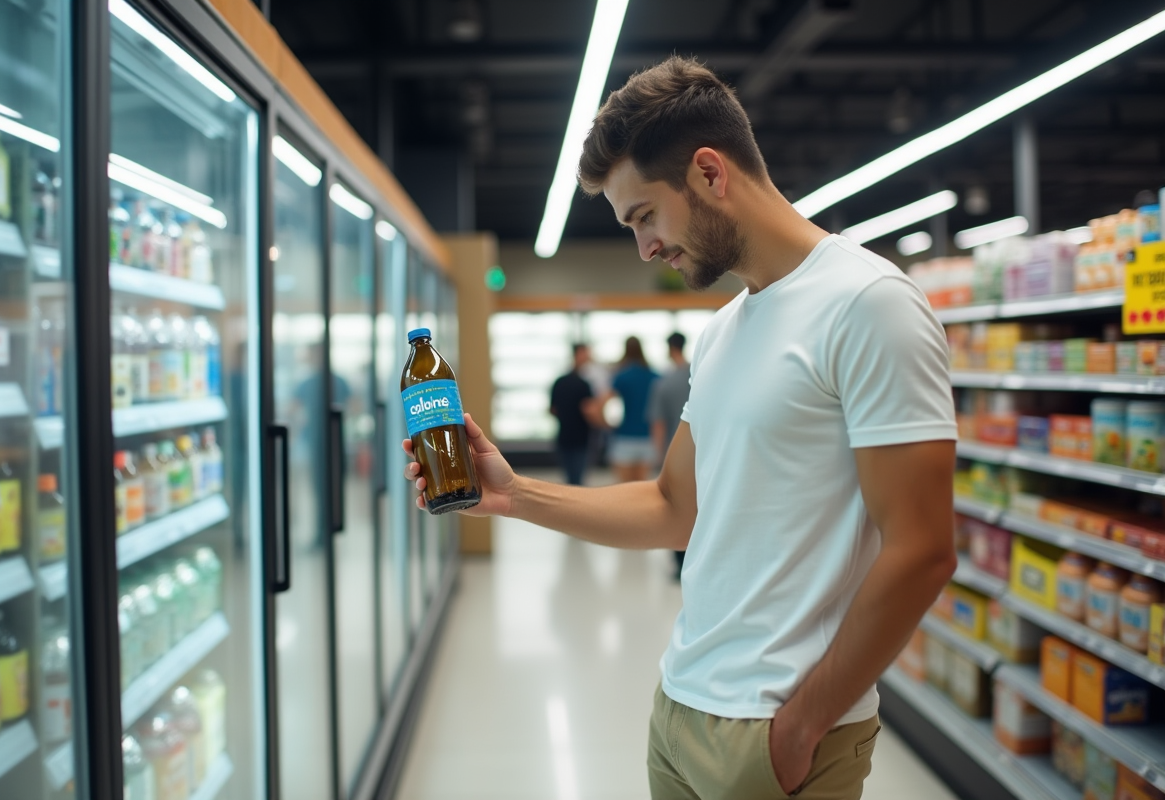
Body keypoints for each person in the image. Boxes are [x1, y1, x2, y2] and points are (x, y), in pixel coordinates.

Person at [404, 56, 956, 800]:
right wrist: (512, 495)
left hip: (775, 733)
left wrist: (799, 730)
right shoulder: (725, 329)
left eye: (643, 216)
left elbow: (922, 550)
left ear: (708, 173)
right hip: (681, 705)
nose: (645, 248)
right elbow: (674, 507)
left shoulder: (869, 304)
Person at [648, 331, 690, 577]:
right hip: (703, 451)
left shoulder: (664, 382)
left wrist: (660, 453)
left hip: (675, 454)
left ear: (668, 348)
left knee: (676, 507)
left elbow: (659, 424)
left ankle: (679, 564)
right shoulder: (700, 372)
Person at [598, 336, 658, 483]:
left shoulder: (621, 376)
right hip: (647, 436)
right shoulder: (654, 376)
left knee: (624, 488)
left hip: (624, 436)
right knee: (642, 487)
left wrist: (607, 424)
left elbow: (601, 403)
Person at [549, 343, 600, 486]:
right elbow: (589, 411)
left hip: (564, 436)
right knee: (578, 481)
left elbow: (552, 410)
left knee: (570, 479)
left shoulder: (559, 382)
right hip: (581, 439)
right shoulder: (584, 384)